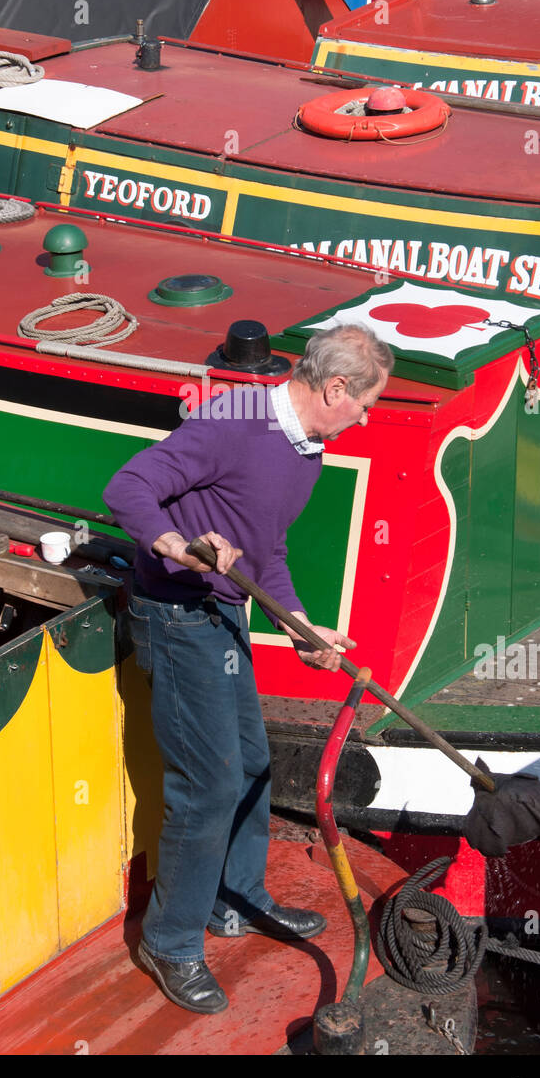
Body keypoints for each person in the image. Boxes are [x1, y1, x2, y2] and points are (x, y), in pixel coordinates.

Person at [103, 321, 394, 1014]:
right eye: (367, 402)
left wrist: (300, 630)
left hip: (222, 613)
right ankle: (169, 943)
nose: (367, 415)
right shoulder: (234, 422)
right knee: (209, 781)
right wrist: (175, 543)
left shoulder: (306, 453)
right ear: (335, 387)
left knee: (253, 760)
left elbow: (269, 554)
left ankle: (237, 895)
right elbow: (128, 486)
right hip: (176, 616)